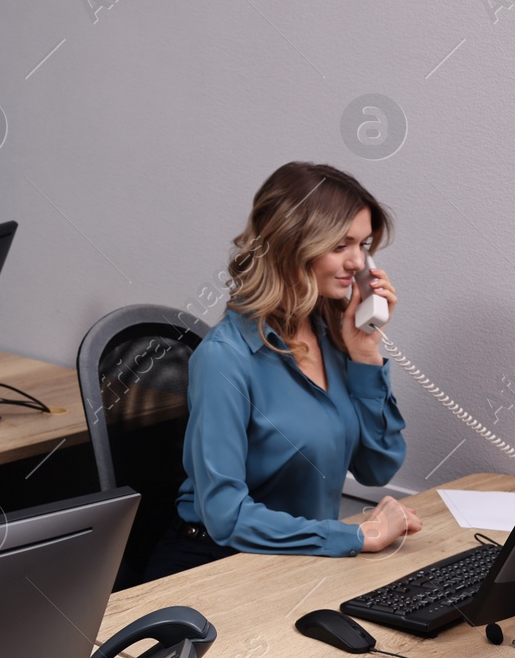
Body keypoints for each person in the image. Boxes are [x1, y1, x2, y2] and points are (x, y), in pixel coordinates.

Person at [143, 161, 418, 581]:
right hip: (213, 568)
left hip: (301, 565)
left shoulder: (336, 337)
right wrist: (359, 536)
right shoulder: (225, 358)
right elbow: (226, 517)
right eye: (341, 246)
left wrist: (366, 356)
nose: (357, 264)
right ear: (291, 245)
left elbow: (377, 469)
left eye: (363, 246)